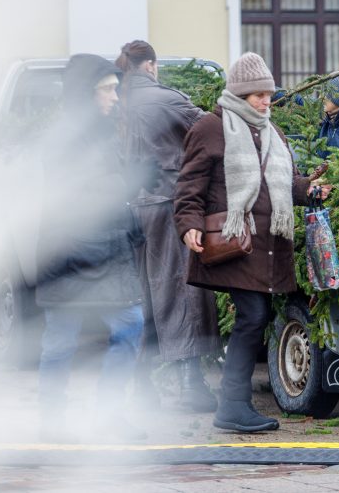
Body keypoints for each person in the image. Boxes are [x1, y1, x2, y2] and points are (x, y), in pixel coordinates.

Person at [175, 52, 327, 432]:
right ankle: (232, 407)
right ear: (239, 94)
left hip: (267, 244)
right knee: (253, 316)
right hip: (235, 241)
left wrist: (310, 189)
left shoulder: (272, 132)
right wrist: (188, 223)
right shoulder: (211, 127)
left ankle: (233, 407)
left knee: (254, 318)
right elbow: (189, 184)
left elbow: (287, 183)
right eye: (257, 94)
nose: (265, 101)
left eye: (268, 94)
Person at [36, 54, 149, 442]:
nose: (115, 97)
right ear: (86, 94)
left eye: (117, 89)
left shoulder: (105, 133)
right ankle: (52, 423)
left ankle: (108, 416)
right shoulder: (64, 139)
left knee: (129, 325)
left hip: (108, 254)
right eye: (107, 90)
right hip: (70, 256)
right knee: (60, 340)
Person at [116, 40, 221, 412]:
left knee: (142, 295)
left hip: (128, 210)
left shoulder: (116, 101)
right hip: (168, 205)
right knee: (183, 290)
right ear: (151, 66)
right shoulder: (168, 100)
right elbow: (212, 130)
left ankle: (143, 388)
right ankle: (191, 387)